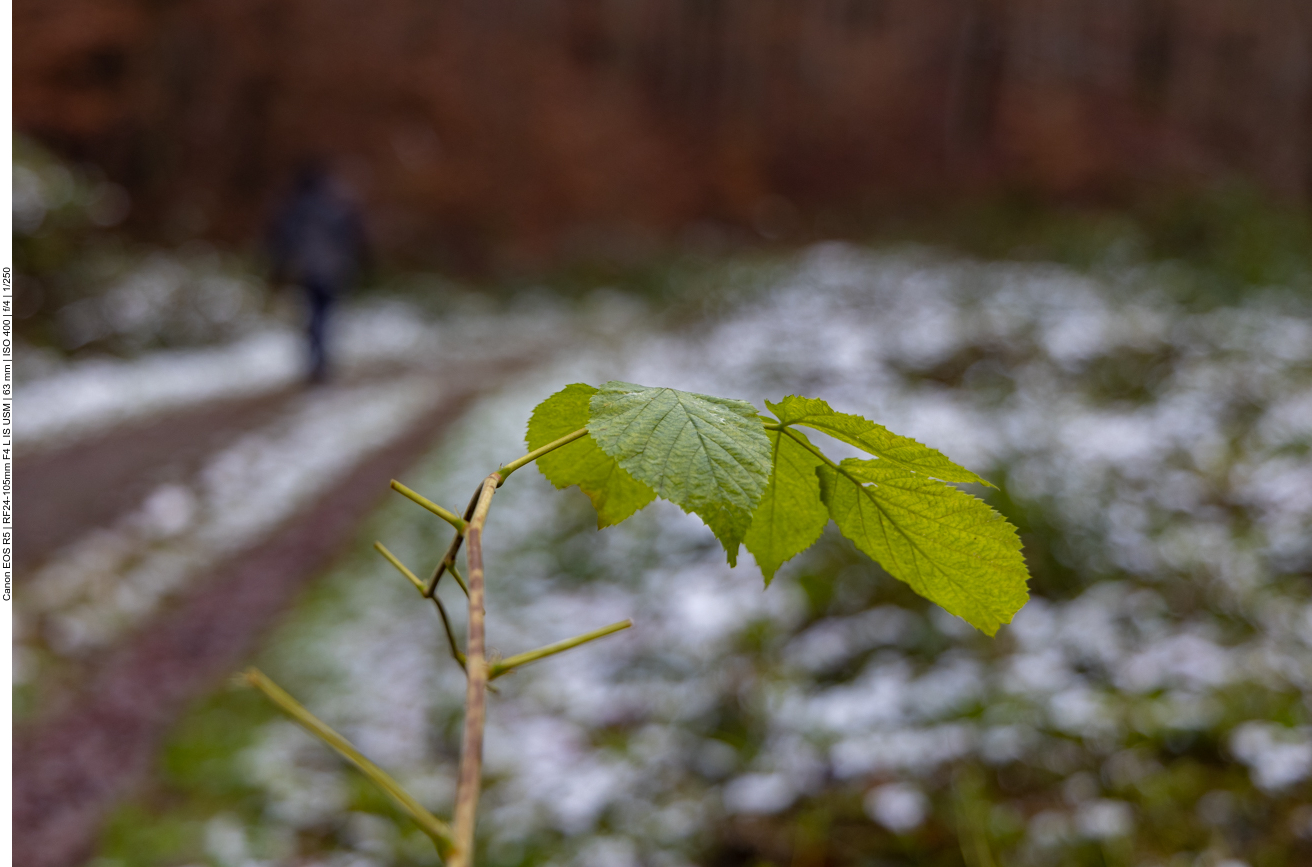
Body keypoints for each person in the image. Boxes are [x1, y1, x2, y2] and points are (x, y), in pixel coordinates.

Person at [268, 163, 370, 383]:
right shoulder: (337, 204)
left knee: (314, 314)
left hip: (307, 270)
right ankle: (321, 360)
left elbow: (282, 239)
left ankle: (316, 359)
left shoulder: (295, 207)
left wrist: (278, 268)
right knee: (325, 315)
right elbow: (354, 235)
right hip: (335, 269)